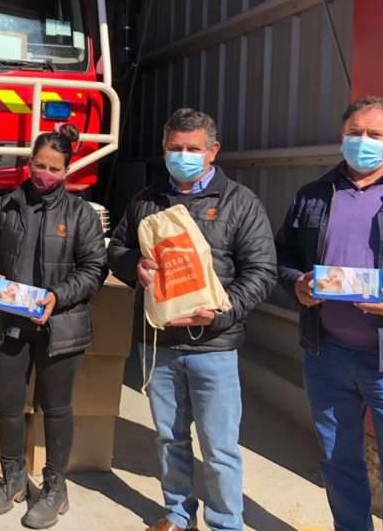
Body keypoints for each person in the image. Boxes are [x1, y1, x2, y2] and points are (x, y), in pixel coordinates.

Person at [108, 108, 277, 531]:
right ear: (164, 150)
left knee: (219, 448)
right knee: (169, 439)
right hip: (161, 344)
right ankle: (179, 516)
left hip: (214, 348)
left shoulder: (239, 202)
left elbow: (262, 272)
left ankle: (225, 523)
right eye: (175, 148)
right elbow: (117, 248)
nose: (183, 155)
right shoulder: (147, 200)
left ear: (212, 151)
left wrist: (223, 312)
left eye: (193, 149)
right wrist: (134, 267)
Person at [276, 96, 383, 531]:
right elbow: (282, 257)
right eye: (354, 133)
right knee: (338, 463)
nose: (362, 142)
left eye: (374, 135)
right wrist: (297, 283)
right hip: (327, 354)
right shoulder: (314, 195)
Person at [0, 124, 107, 530]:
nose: (43, 174)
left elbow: (94, 269)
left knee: (56, 407)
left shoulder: (80, 214)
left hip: (60, 326)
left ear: (67, 171)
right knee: (9, 404)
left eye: (53, 168)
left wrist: (57, 296)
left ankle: (54, 487)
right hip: (12, 324)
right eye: (38, 164)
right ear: (28, 162)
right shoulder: (7, 206)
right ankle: (12, 477)